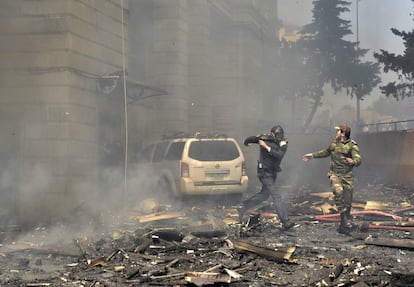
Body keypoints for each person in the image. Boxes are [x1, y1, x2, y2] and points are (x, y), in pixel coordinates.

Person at [302, 124, 361, 235]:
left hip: (347, 176)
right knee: (338, 192)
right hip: (335, 174)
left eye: (338, 131)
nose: (336, 132)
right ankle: (344, 219)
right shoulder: (334, 143)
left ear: (343, 133)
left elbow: (358, 158)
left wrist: (353, 161)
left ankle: (345, 222)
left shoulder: (352, 145)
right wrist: (312, 155)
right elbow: (326, 152)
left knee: (348, 200)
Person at [237, 125, 295, 231]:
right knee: (275, 195)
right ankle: (285, 221)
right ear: (272, 134)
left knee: (264, 195)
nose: (279, 137)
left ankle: (243, 206)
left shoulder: (283, 143)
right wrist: (247, 142)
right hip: (264, 172)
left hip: (273, 172)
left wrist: (265, 147)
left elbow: (279, 155)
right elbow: (252, 139)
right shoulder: (265, 138)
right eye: (277, 135)